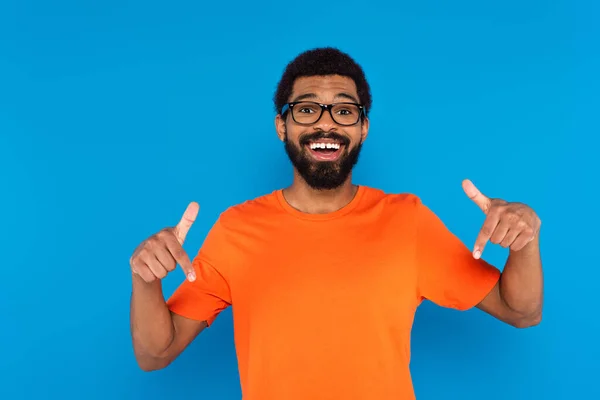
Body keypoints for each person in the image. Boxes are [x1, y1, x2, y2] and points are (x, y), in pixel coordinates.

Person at [129, 47, 543, 400]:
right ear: (282, 126)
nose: (325, 124)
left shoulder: (407, 221)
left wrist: (525, 241)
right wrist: (145, 280)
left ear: (363, 128)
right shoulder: (236, 229)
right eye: (307, 109)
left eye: (344, 111)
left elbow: (520, 311)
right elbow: (155, 355)